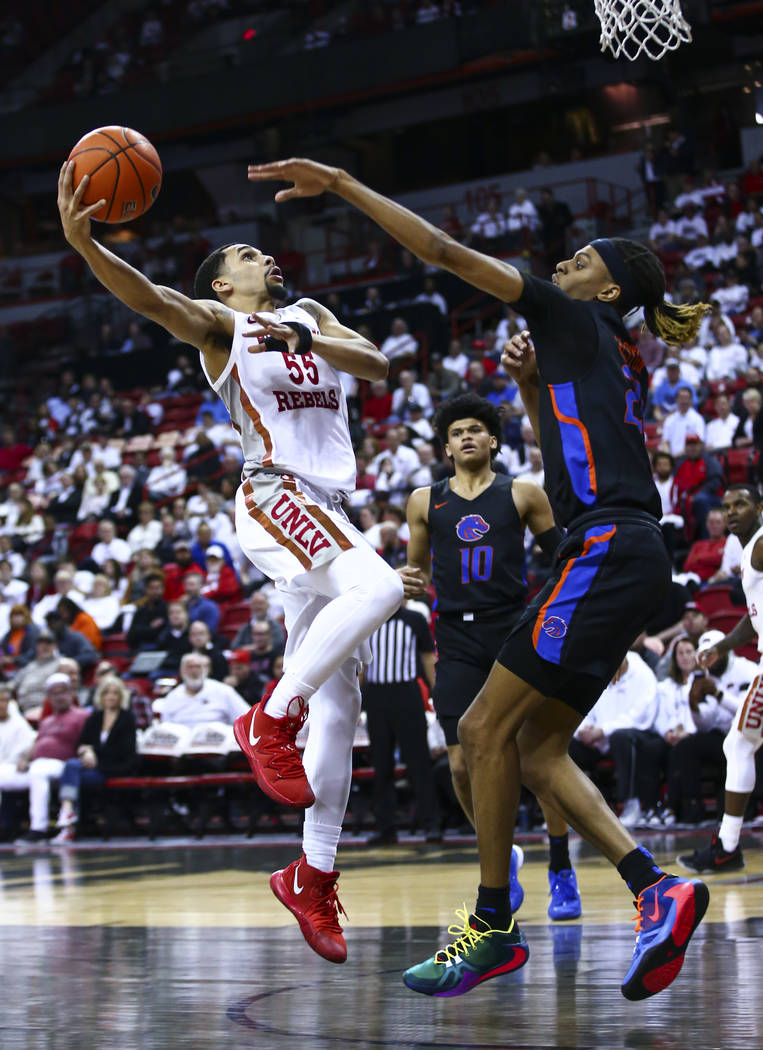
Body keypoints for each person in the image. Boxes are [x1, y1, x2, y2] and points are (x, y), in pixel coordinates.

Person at [248, 157, 712, 999]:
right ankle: (657, 888)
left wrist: (346, 185)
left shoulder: (569, 311)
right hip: (624, 547)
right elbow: (571, 451)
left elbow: (439, 247)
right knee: (532, 749)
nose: (566, 263)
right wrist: (531, 388)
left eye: (583, 259)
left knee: (478, 735)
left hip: (604, 548)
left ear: (605, 291)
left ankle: (494, 923)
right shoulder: (604, 342)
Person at [57, 163, 404, 967]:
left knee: (342, 707)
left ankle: (311, 876)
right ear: (222, 279)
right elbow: (152, 300)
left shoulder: (308, 314)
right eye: (245, 253)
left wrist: (310, 335)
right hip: (274, 495)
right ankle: (267, 716)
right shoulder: (221, 326)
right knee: (380, 587)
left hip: (328, 508)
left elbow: (378, 365)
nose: (264, 258)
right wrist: (88, 248)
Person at [400, 392, 581, 919]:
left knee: (532, 756)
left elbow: (564, 561)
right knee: (460, 763)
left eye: (476, 429)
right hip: (455, 638)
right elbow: (418, 578)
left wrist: (565, 626)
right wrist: (406, 580)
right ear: (446, 446)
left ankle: (561, 867)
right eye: (457, 432)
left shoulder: (524, 493)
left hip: (512, 632)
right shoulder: (422, 500)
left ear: (494, 440)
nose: (467, 437)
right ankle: (502, 858)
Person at [679, 484, 763, 873]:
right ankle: (727, 846)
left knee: (740, 744)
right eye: (726, 506)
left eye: (740, 504)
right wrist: (724, 646)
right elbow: (754, 616)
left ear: (759, 508)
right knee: (738, 744)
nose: (731, 512)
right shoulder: (747, 551)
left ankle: (727, 847)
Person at [0, 672, 88, 845]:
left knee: (39, 771)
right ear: (49, 697)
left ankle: (38, 829)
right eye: (54, 693)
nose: (59, 697)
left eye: (63, 692)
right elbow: (37, 742)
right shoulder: (47, 721)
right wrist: (25, 758)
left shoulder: (82, 715)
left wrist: (86, 752)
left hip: (64, 766)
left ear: (71, 693)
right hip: (36, 766)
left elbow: (88, 742)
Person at [51, 674, 138, 844]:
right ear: (101, 695)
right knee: (71, 766)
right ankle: (68, 815)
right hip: (95, 767)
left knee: (72, 771)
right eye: (107, 693)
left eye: (114, 693)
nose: (111, 696)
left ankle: (67, 818)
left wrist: (93, 752)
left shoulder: (127, 718)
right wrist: (86, 751)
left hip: (115, 768)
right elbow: (82, 743)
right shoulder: (95, 717)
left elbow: (122, 751)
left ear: (121, 696)